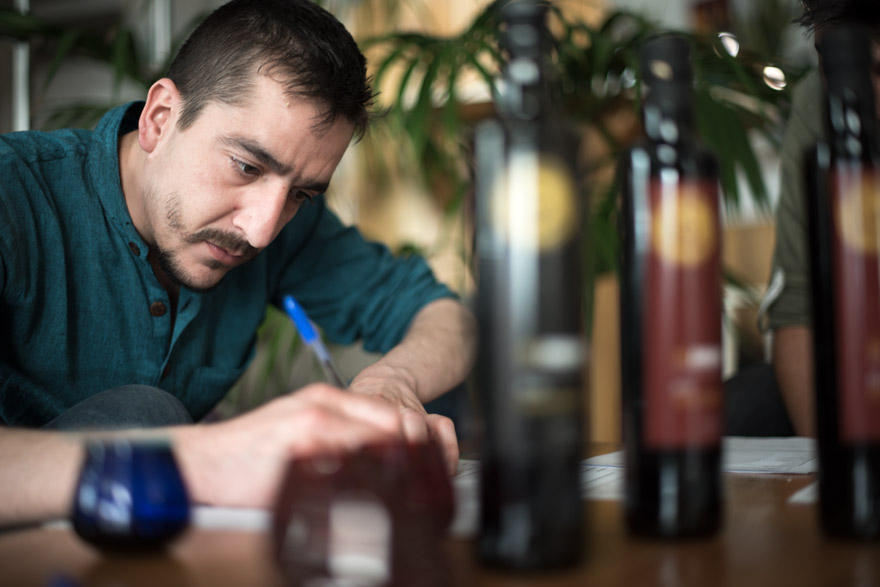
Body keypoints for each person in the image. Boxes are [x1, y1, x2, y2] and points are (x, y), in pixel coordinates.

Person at [0, 0, 476, 526]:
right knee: (144, 415)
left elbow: (443, 316)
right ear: (160, 119)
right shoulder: (11, 195)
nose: (262, 229)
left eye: (302, 193)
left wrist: (394, 382)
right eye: (246, 166)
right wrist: (206, 459)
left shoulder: (280, 223)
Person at [762, 0, 880, 436]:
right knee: (741, 407)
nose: (853, 95)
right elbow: (798, 306)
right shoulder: (817, 99)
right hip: (854, 361)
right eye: (834, 64)